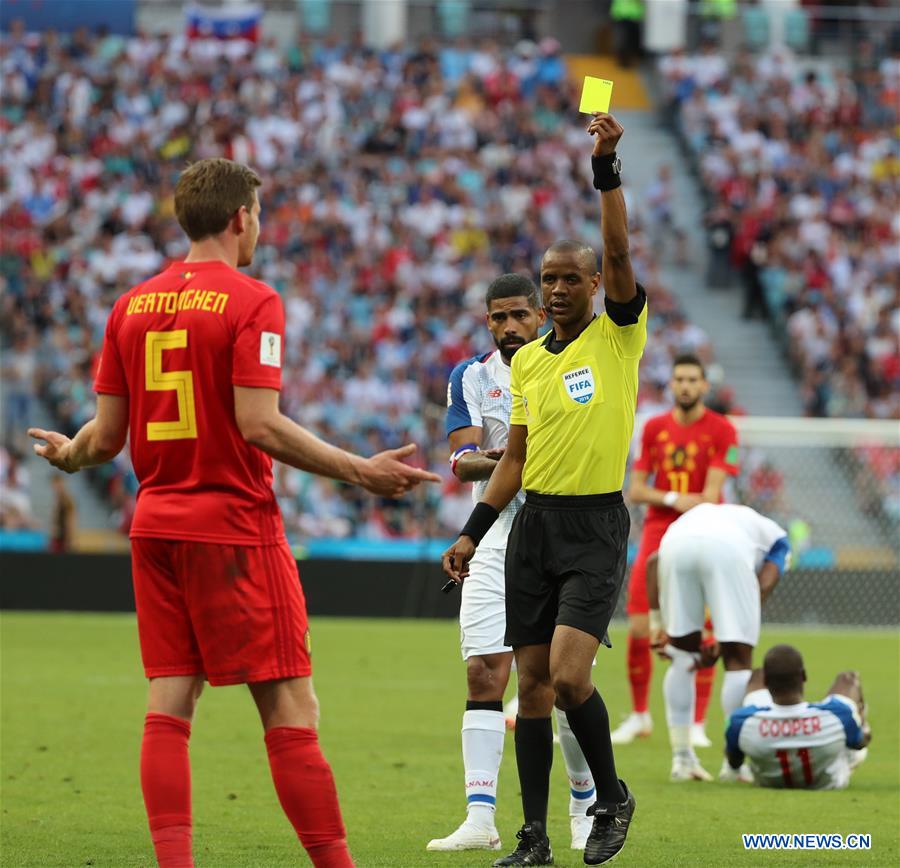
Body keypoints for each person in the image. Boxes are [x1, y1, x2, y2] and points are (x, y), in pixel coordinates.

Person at [28, 157, 440, 868]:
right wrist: (359, 471)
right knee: (290, 712)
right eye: (259, 214)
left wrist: (67, 457)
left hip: (155, 526)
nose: (260, 227)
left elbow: (103, 439)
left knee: (170, 703)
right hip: (234, 528)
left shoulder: (129, 306)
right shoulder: (253, 300)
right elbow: (260, 425)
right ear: (239, 217)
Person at [443, 112, 644, 867]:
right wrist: (473, 529)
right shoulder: (527, 365)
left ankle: (613, 796)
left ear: (596, 284)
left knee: (566, 677)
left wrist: (607, 167)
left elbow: (619, 244)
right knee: (528, 688)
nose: (558, 289)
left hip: (594, 526)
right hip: (531, 529)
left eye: (570, 278)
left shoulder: (617, 335)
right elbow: (515, 458)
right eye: (549, 278)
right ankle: (532, 838)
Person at [429, 273, 596, 854]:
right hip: (494, 531)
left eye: (519, 316)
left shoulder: (574, 364)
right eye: (498, 318)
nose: (508, 329)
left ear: (541, 314)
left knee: (558, 679)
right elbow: (463, 461)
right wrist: (506, 460)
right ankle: (480, 817)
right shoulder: (470, 376)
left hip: (560, 530)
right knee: (483, 673)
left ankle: (582, 803)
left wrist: (507, 461)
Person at [612, 353, 739, 748]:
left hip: (705, 532)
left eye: (691, 380)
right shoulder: (653, 428)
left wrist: (680, 499)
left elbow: (712, 496)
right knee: (637, 626)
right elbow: (635, 489)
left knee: (704, 630)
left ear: (704, 386)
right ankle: (639, 716)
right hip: (657, 531)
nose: (685, 386)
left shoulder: (723, 431)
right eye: (678, 379)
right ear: (671, 384)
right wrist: (673, 496)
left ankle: (697, 723)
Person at [646, 503, 789, 783]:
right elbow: (760, 588)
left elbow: (653, 562)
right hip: (727, 551)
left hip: (676, 544)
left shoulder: (706, 518)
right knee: (738, 661)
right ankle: (733, 765)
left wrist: (656, 626)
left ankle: (682, 759)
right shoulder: (779, 541)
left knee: (682, 656)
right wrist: (729, 642)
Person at [725, 645, 870, 789]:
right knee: (848, 679)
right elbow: (859, 742)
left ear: (767, 681)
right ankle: (850, 757)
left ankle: (729, 774)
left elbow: (735, 760)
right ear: (804, 676)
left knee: (756, 674)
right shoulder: (838, 714)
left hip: (768, 782)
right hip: (827, 783)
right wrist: (862, 724)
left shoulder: (741, 721)